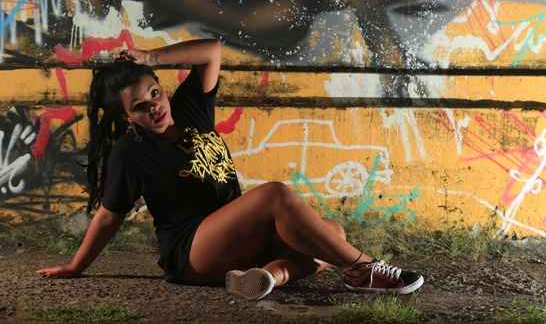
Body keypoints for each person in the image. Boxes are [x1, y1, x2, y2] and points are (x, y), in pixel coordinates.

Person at [36, 39, 424, 300]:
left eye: (155, 93)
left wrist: (150, 58)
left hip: (236, 242)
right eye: (140, 107)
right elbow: (109, 217)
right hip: (192, 251)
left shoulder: (189, 109)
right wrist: (74, 266)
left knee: (331, 233)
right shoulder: (130, 150)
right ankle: (364, 269)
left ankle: (269, 276)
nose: (155, 107)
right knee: (275, 195)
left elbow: (212, 50)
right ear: (127, 117)